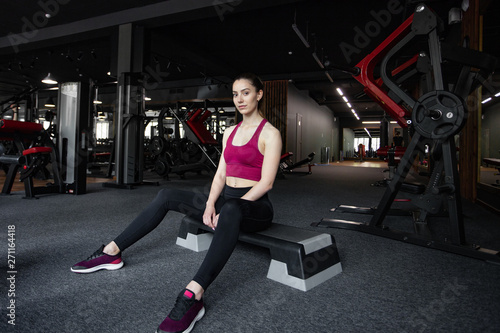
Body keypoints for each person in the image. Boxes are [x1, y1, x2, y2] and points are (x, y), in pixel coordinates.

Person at [71, 72, 282, 333]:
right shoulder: (230, 132)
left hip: (256, 208)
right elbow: (220, 174)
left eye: (246, 92)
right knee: (167, 195)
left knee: (232, 209)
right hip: (228, 201)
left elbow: (267, 183)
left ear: (259, 94)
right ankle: (111, 252)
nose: (240, 99)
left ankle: (194, 294)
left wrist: (228, 207)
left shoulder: (270, 133)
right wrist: (209, 205)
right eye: (235, 94)